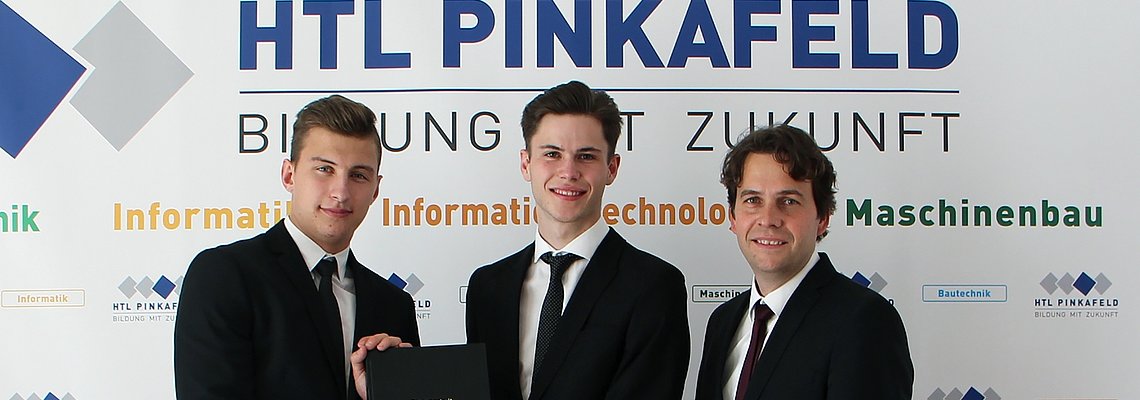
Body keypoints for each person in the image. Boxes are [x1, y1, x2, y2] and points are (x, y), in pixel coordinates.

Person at [174, 95, 419, 400]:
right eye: (325, 169)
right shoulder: (224, 276)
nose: (341, 192)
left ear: (375, 189)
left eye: (358, 175)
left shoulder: (394, 305)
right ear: (289, 175)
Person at [465, 81, 690, 400]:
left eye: (586, 156)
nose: (568, 172)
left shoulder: (654, 287)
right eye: (552, 154)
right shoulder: (487, 288)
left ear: (611, 168)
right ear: (526, 164)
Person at [693, 125, 913, 400]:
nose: (768, 219)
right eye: (753, 200)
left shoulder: (864, 321)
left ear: (823, 218)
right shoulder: (722, 322)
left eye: (788, 201)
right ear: (733, 218)